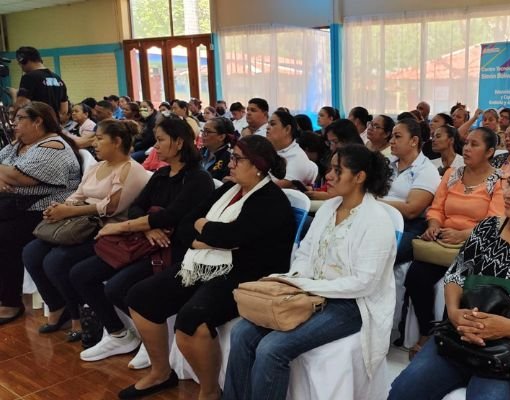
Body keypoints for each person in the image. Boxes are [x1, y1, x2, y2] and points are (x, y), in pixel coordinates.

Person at [389, 154, 510, 400]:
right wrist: (454, 313)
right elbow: (456, 275)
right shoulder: (488, 228)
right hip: (463, 333)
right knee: (402, 392)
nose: (509, 193)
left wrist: (505, 328)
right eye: (509, 183)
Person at [118, 135, 295, 399]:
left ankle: (210, 391)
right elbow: (188, 223)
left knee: (193, 319)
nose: (230, 164)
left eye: (237, 158)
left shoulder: (271, 200)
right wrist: (207, 237)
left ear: (257, 165)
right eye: (232, 157)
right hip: (205, 261)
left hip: (249, 271)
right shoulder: (228, 190)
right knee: (140, 297)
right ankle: (160, 372)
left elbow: (232, 237)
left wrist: (207, 230)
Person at [223, 144, 397, 400]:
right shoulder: (329, 208)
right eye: (330, 168)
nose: (328, 175)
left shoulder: (376, 220)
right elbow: (305, 253)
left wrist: (309, 287)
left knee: (272, 349)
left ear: (359, 177)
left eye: (338, 170)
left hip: (352, 305)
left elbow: (364, 283)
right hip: (310, 293)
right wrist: (296, 282)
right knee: (241, 334)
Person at [71, 116, 214, 362]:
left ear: (179, 142)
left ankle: (151, 339)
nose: (155, 146)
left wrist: (120, 227)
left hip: (172, 249)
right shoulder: (161, 174)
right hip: (145, 242)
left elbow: (172, 216)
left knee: (118, 288)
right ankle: (119, 333)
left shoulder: (197, 179)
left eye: (160, 140)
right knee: (80, 274)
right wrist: (148, 228)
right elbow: (138, 208)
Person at [22, 120, 149, 340]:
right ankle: (56, 306)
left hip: (103, 230)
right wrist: (61, 207)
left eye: (100, 139)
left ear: (117, 141)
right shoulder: (97, 167)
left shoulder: (132, 170)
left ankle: (78, 315)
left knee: (56, 261)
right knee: (31, 252)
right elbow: (78, 194)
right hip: (78, 224)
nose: (95, 144)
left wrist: (68, 212)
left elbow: (110, 208)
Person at [404, 127, 505, 358]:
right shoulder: (452, 174)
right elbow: (437, 208)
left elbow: (495, 221)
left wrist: (464, 235)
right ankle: (427, 331)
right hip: (441, 243)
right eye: (466, 143)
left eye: (475, 145)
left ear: (490, 151)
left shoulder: (499, 181)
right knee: (416, 277)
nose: (467, 148)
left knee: (458, 285)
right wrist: (433, 226)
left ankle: (448, 337)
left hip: (476, 245)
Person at [0, 102, 81, 324]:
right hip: (17, 205)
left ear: (38, 121)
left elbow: (19, 178)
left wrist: (7, 176)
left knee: (5, 236)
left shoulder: (54, 146)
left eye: (19, 119)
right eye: (13, 118)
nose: (14, 124)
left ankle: (10, 302)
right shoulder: (19, 145)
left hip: (47, 210)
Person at [381, 119, 441, 265]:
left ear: (414, 141)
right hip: (378, 219)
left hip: (408, 226)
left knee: (380, 253)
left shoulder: (426, 170)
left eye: (397, 136)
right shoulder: (386, 163)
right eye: (392, 137)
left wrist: (374, 203)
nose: (392, 141)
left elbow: (411, 210)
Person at [15, 47, 68, 121]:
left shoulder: (28, 77)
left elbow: (22, 105)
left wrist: (14, 95)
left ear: (23, 60)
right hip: (54, 126)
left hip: (37, 126)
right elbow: (64, 110)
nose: (20, 66)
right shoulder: (58, 79)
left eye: (19, 62)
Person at [268, 110, 318, 188]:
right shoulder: (267, 150)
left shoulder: (297, 157)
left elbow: (281, 185)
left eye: (272, 124)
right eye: (268, 124)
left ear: (287, 129)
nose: (267, 127)